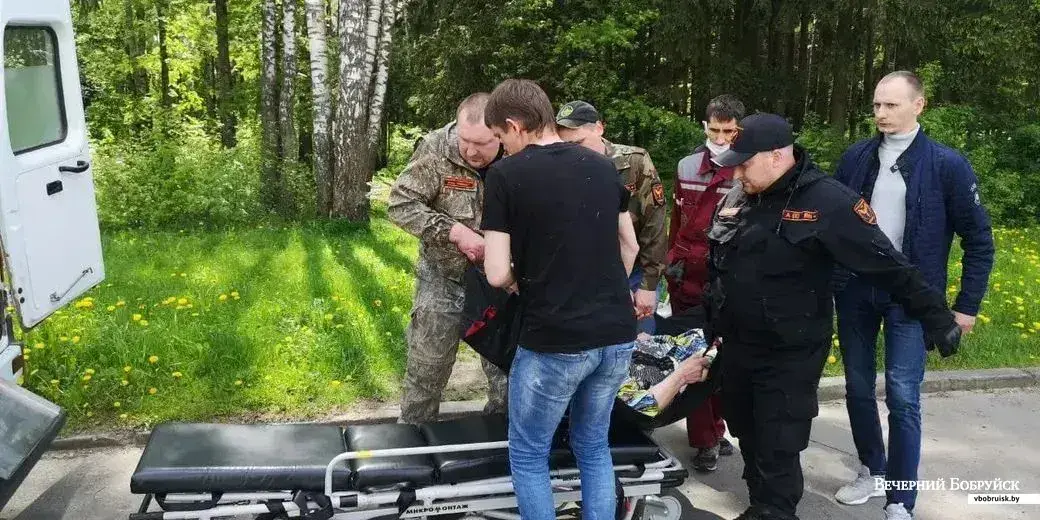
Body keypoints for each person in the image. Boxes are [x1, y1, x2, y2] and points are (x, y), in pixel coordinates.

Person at [704, 112, 962, 520]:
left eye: (744, 164)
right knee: (747, 434)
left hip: (790, 350)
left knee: (777, 443)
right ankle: (760, 505)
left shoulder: (827, 201)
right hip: (739, 344)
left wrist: (938, 317)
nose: (736, 174)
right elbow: (719, 268)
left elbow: (886, 264)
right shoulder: (742, 196)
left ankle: (775, 511)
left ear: (776, 156)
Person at [480, 79, 672, 520]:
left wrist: (522, 282)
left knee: (529, 453)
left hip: (555, 340)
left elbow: (495, 272)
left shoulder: (506, 176)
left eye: (501, 137)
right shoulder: (603, 166)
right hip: (615, 335)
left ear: (515, 125)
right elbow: (629, 245)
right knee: (593, 445)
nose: (502, 148)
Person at [831, 71, 995, 519]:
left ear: (919, 105)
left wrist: (966, 306)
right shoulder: (856, 158)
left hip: (912, 297)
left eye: (892, 105)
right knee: (858, 388)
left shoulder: (947, 165)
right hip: (856, 290)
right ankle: (873, 470)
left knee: (903, 396)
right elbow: (833, 225)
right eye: (877, 105)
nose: (881, 113)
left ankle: (901, 498)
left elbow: (979, 240)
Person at [387, 92, 509, 425]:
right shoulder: (436, 148)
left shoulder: (519, 154)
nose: (470, 151)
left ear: (501, 134)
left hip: (501, 283)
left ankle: (501, 442)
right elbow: (400, 205)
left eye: (481, 144)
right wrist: (454, 231)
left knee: (508, 375)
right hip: (443, 277)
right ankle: (413, 442)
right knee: (426, 371)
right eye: (465, 140)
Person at [666, 94, 745, 472]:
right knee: (695, 355)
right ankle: (704, 440)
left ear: (739, 130)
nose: (721, 138)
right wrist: (670, 265)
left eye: (728, 132)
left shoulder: (746, 168)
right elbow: (676, 222)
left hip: (727, 273)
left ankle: (715, 427)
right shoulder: (686, 166)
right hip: (687, 275)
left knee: (722, 355)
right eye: (714, 130)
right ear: (704, 126)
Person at [555, 100, 668, 334]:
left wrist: (648, 285)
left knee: (639, 340)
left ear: (599, 128)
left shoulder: (633, 162)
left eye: (579, 143)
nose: (574, 152)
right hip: (584, 274)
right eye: (566, 146)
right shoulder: (559, 168)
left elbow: (655, 223)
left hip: (634, 272)